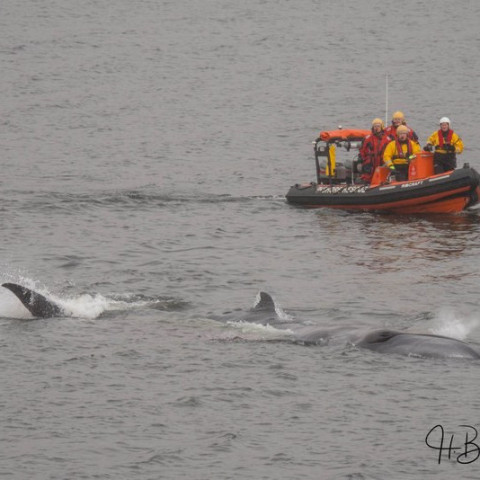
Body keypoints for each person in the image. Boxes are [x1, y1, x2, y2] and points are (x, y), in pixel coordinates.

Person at [359, 118, 386, 183]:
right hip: (370, 162)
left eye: (378, 126)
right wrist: (365, 159)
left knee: (382, 176)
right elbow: (362, 150)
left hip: (381, 161)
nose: (376, 128)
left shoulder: (387, 139)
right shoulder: (367, 138)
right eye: (375, 126)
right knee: (367, 176)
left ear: (382, 127)